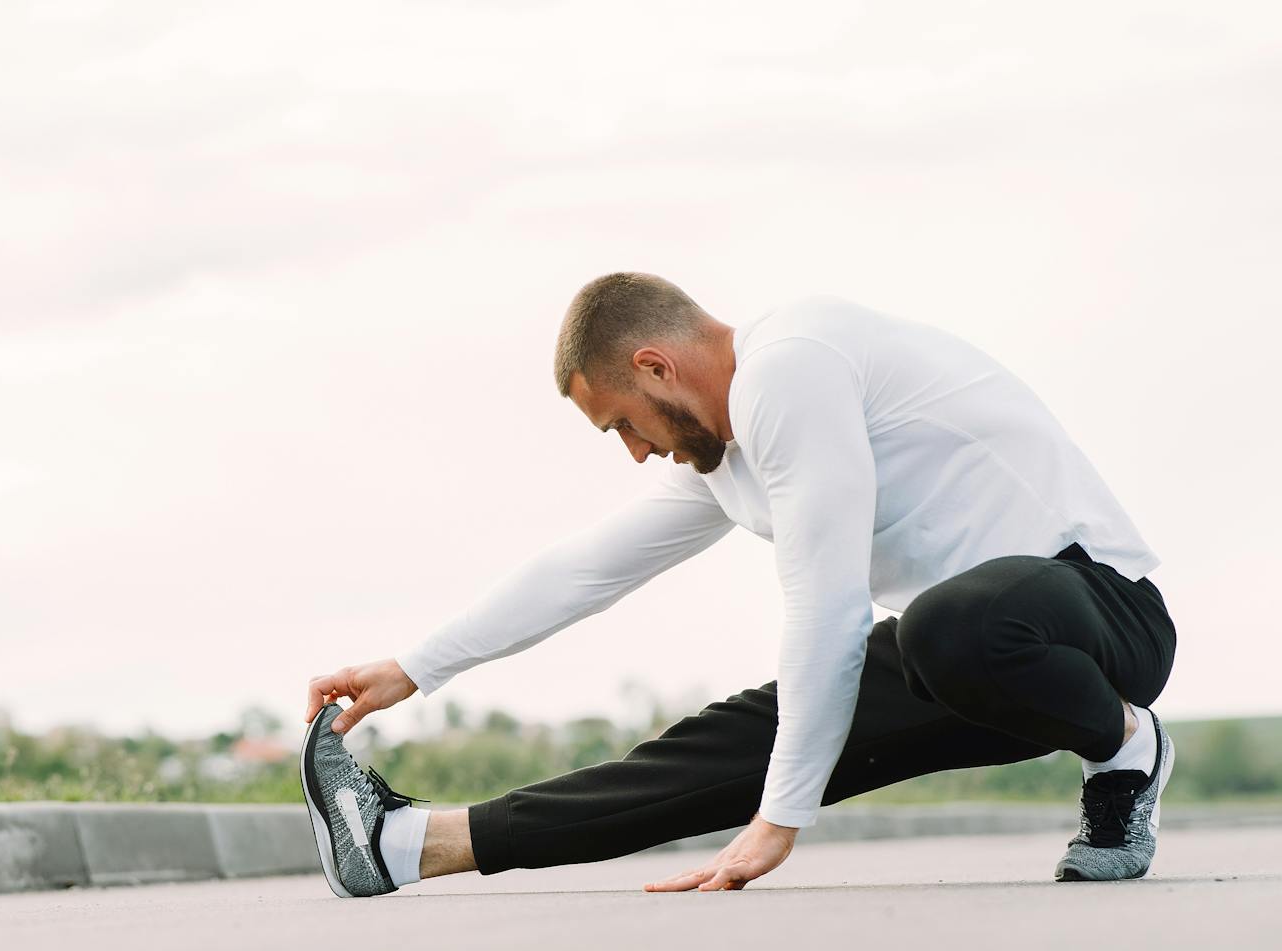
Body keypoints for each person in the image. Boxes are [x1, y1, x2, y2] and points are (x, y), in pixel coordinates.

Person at [300, 273, 1177, 898]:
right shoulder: (726, 455)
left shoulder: (792, 364)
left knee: (936, 634)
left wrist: (782, 818)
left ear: (654, 366)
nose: (637, 452)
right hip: (961, 656)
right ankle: (406, 846)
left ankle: (1126, 744)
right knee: (718, 749)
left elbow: (829, 607)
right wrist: (414, 667)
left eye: (622, 426)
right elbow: (585, 569)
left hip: (1100, 611)